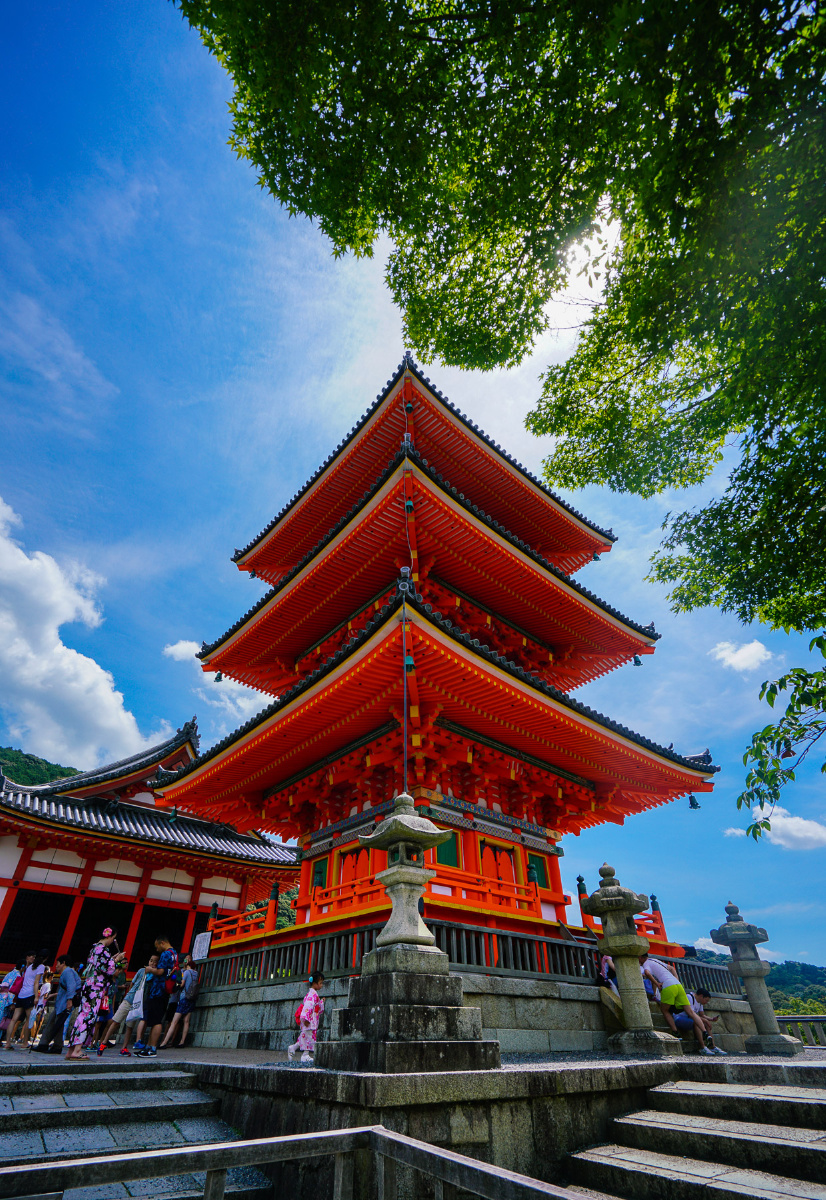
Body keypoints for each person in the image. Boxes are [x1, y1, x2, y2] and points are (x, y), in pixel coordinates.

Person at [66, 928, 126, 1061]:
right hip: (95, 988)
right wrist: (117, 960)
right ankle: (77, 1049)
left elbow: (100, 965)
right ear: (110, 936)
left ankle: (71, 1050)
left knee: (82, 1016)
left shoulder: (95, 949)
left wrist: (111, 959)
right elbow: (109, 970)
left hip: (89, 985)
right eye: (113, 938)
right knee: (88, 1017)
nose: (112, 941)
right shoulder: (103, 950)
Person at [639, 953, 713, 1055]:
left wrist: (657, 984)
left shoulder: (646, 963)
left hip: (668, 986)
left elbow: (647, 973)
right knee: (691, 1012)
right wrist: (676, 979)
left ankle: (675, 1032)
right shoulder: (656, 960)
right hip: (678, 985)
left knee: (664, 1010)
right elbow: (672, 968)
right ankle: (705, 1032)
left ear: (642, 957)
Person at [97, 955, 153, 1056]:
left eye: (155, 962)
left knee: (130, 1026)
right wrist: (129, 993)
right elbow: (132, 983)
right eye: (151, 960)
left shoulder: (154, 975)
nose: (152, 963)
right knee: (116, 1021)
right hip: (130, 999)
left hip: (138, 1003)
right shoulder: (142, 971)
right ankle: (104, 1042)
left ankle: (124, 1047)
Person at [136, 937, 179, 1058]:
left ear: (162, 943)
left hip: (158, 990)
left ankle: (152, 1048)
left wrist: (150, 969)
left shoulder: (166, 954)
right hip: (165, 990)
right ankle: (149, 1046)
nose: (157, 949)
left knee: (156, 1020)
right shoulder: (174, 954)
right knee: (155, 1018)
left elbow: (160, 971)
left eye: (157, 946)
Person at [33, 956, 81, 1054]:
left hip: (64, 1003)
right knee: (52, 1021)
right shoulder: (67, 972)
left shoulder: (67, 972)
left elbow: (71, 986)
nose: (56, 966)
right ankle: (43, 1044)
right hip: (61, 1003)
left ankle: (57, 1046)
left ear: (63, 963)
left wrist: (69, 1000)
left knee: (58, 1023)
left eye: (58, 963)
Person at [3, 950, 48, 1051]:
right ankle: (25, 1042)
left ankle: (8, 1043)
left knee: (14, 1019)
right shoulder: (41, 967)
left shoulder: (29, 967)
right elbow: (36, 982)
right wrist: (36, 996)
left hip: (21, 995)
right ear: (46, 958)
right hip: (30, 995)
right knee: (29, 1019)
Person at [672, 987, 727, 1055]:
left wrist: (711, 1019)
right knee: (697, 1023)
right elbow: (691, 1014)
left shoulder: (700, 1003)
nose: (706, 1002)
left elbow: (702, 1015)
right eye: (706, 1000)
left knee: (706, 1024)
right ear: (701, 996)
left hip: (690, 1019)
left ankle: (712, 1046)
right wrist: (705, 1020)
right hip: (680, 1018)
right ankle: (702, 1047)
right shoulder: (689, 997)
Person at [160, 955, 198, 1049]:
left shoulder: (186, 972)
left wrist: (177, 984)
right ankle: (182, 1041)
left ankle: (164, 1042)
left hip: (184, 997)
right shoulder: (196, 973)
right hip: (192, 998)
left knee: (174, 1021)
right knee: (186, 1021)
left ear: (188, 965)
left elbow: (182, 984)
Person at [287, 972, 325, 1063]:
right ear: (315, 984)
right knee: (308, 1037)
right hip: (309, 1020)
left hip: (310, 1019)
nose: (321, 985)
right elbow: (308, 1007)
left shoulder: (312, 994)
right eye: (320, 983)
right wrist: (306, 1019)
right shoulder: (312, 995)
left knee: (304, 1037)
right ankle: (305, 1055)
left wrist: (321, 1002)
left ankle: (293, 1048)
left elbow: (315, 1006)